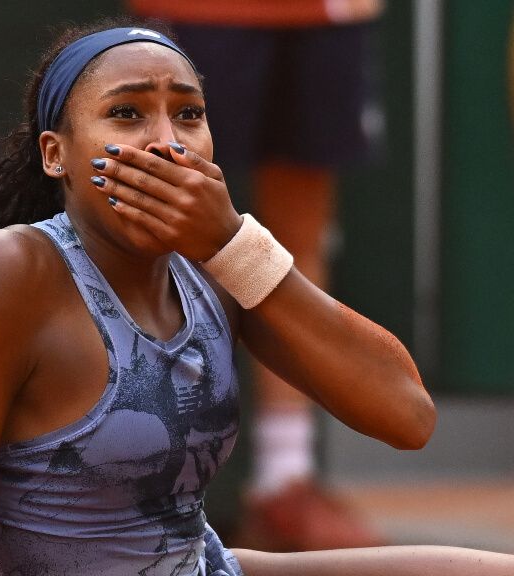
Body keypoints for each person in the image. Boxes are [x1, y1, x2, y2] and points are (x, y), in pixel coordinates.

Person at [0, 18, 514, 576]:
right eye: (127, 114)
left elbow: (407, 415)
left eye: (188, 115)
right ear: (55, 155)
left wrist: (234, 248)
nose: (167, 143)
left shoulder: (220, 269)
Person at [127, 0, 384, 550]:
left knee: (301, 226)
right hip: (203, 11)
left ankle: (284, 480)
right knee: (170, 205)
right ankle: (151, 474)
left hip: (328, 13)